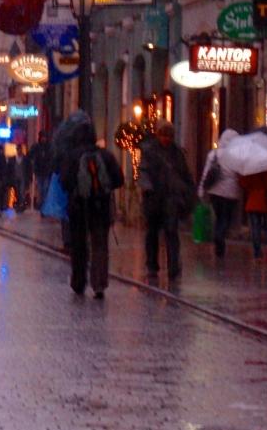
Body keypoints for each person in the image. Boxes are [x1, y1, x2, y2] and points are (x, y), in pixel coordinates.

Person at [59, 118, 124, 297]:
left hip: (78, 207)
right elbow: (119, 179)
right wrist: (104, 188)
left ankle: (78, 282)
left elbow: (64, 182)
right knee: (100, 246)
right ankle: (99, 284)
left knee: (79, 246)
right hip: (101, 207)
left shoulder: (72, 156)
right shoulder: (105, 155)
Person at [138, 123, 196, 281]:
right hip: (154, 198)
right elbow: (143, 171)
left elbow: (185, 173)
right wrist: (147, 188)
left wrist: (189, 191)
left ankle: (173, 267)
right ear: (158, 135)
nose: (166, 139)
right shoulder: (150, 151)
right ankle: (152, 265)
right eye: (163, 135)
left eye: (169, 136)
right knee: (152, 233)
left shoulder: (177, 153)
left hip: (171, 198)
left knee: (171, 231)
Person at [196, 129, 242, 259]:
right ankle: (219, 237)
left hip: (214, 192)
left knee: (218, 216)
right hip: (231, 193)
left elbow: (206, 172)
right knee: (225, 219)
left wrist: (201, 189)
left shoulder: (213, 154)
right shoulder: (236, 156)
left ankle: (218, 240)